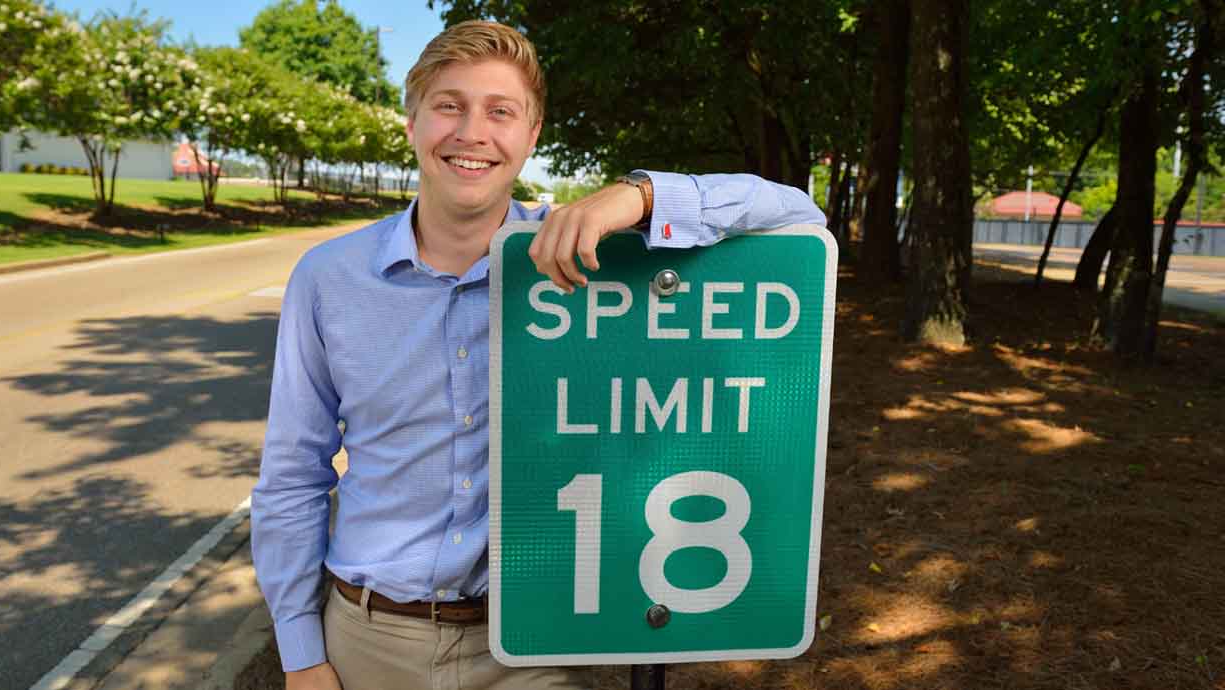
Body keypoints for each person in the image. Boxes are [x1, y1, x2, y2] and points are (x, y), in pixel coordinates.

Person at [251, 19, 826, 690]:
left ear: (532, 135)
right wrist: (300, 653)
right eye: (449, 106)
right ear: (411, 123)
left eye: (501, 112)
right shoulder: (327, 278)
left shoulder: (591, 262)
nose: (472, 132)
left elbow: (797, 217)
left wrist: (640, 196)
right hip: (367, 638)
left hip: (531, 648)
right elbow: (292, 477)